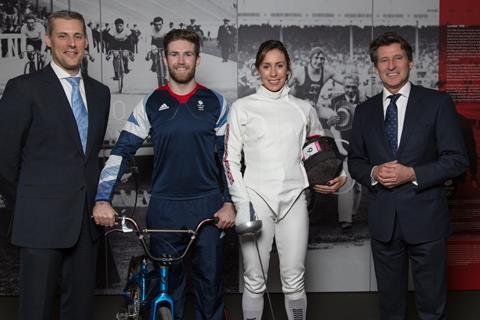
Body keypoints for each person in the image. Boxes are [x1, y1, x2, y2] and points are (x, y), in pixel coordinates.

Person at [93, 29, 235, 320]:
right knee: (168, 291)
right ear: (164, 58)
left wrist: (229, 202)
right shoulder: (149, 103)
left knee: (210, 289)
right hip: (165, 209)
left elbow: (228, 159)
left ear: (197, 59)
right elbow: (121, 150)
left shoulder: (217, 103)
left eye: (187, 54)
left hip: (207, 205)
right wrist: (102, 198)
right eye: (174, 54)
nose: (181, 61)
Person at [348, 32, 468, 320]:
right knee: (391, 309)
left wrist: (412, 173)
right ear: (376, 67)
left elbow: (456, 160)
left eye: (397, 58)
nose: (391, 66)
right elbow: (355, 162)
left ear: (410, 61)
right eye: (383, 60)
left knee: (431, 308)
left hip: (427, 221)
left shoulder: (437, 104)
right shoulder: (364, 111)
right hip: (384, 224)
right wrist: (375, 172)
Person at [224, 40, 346, 320]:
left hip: (294, 202)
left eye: (279, 66)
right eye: (267, 66)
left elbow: (320, 153)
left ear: (289, 69)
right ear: (257, 70)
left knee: (294, 279)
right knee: (254, 279)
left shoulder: (303, 108)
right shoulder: (242, 108)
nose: (273, 73)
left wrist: (336, 175)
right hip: (256, 202)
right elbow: (229, 160)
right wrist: (242, 203)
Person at [0, 10, 110, 320]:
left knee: (79, 312)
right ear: (48, 40)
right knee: (35, 311)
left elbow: (87, 159)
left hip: (84, 224)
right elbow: (4, 159)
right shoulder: (24, 88)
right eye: (63, 35)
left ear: (86, 41)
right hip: (38, 223)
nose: (71, 43)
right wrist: (26, 203)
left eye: (77, 36)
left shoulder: (100, 94)